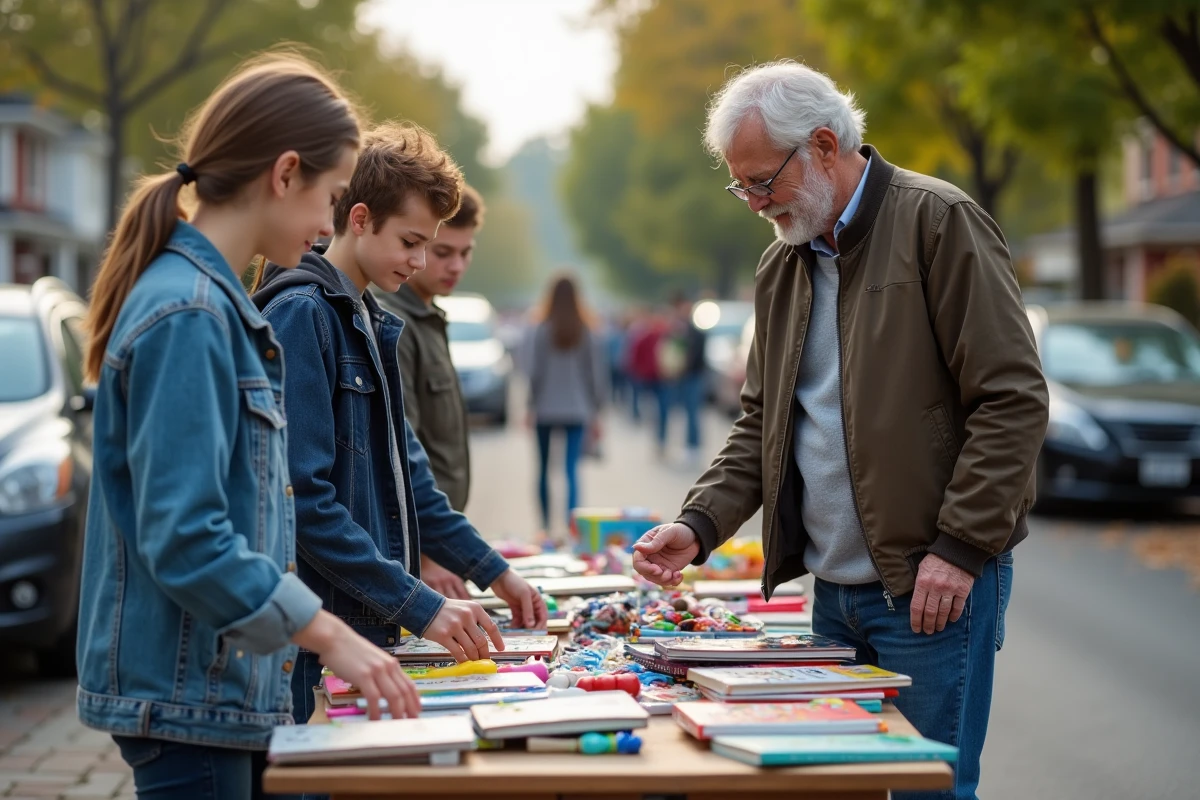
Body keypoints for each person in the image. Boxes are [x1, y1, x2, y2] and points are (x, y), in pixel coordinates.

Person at [631, 61, 1048, 800]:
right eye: (742, 187)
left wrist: (958, 550)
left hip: (932, 590)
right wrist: (698, 525)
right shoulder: (780, 264)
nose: (755, 203)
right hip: (834, 594)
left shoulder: (938, 221)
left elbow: (1011, 399)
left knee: (930, 790)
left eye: (763, 182)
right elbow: (763, 420)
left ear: (824, 145)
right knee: (828, 787)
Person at [76, 54, 420, 799]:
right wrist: (329, 635)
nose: (330, 224)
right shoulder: (190, 313)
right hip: (188, 698)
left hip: (217, 691)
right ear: (285, 172)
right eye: (330, 196)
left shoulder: (215, 305)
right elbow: (187, 534)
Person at [250, 124, 546, 726]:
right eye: (411, 242)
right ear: (358, 219)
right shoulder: (303, 314)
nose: (419, 260)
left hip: (360, 627)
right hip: (313, 644)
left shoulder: (367, 315)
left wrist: (494, 572)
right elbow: (302, 499)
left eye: (428, 244)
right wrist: (421, 605)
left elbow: (407, 473)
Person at [375, 184, 485, 601]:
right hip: (416, 554)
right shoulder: (393, 321)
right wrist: (428, 557)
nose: (456, 265)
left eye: (466, 252)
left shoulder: (428, 316)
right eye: (443, 252)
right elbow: (401, 456)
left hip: (436, 543)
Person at [524, 275, 607, 537]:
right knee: (571, 469)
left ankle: (545, 526)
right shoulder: (585, 330)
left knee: (543, 468)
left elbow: (533, 372)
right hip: (577, 408)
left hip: (545, 408)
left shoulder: (541, 329)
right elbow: (594, 375)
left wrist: (530, 405)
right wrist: (596, 411)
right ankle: (573, 528)